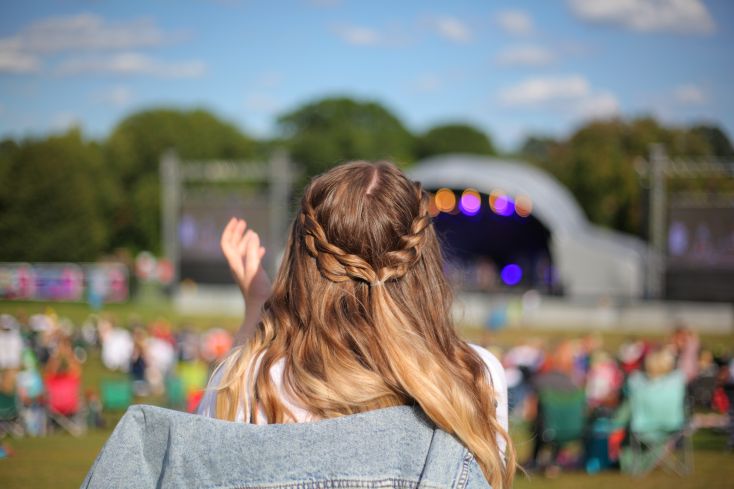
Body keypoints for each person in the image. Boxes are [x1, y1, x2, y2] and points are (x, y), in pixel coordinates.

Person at [198, 161, 515, 489]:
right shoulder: (475, 375)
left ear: (299, 264)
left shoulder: (250, 381)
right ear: (426, 264)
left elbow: (211, 462)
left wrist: (256, 307)